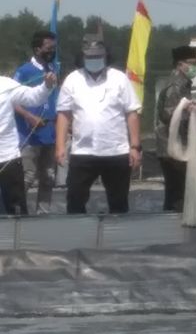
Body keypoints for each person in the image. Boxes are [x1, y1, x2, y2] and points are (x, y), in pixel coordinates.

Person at [56, 34, 141, 214]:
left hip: (116, 151)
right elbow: (63, 115)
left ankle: (117, 238)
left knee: (118, 202)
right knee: (75, 199)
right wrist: (60, 146)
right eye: (90, 57)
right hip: (83, 151)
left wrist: (135, 146)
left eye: (97, 56)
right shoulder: (72, 79)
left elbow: (131, 113)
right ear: (83, 57)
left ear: (105, 56)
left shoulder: (119, 79)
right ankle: (79, 238)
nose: (94, 60)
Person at [13, 30, 59, 214]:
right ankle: (15, 210)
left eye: (54, 48)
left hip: (49, 134)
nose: (52, 52)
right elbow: (12, 100)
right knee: (28, 176)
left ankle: (43, 214)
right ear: (37, 48)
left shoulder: (53, 69)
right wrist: (29, 116)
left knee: (48, 176)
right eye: (49, 48)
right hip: (29, 135)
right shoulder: (23, 72)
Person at [0, 70, 56, 214]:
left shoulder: (6, 84)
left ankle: (17, 236)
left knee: (16, 209)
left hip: (8, 157)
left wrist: (46, 85)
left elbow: (34, 97)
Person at [155, 45, 196, 211]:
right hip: (172, 146)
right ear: (180, 64)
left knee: (177, 191)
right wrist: (191, 111)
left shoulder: (182, 83)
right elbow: (170, 116)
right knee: (176, 193)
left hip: (175, 144)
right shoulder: (175, 85)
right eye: (192, 63)